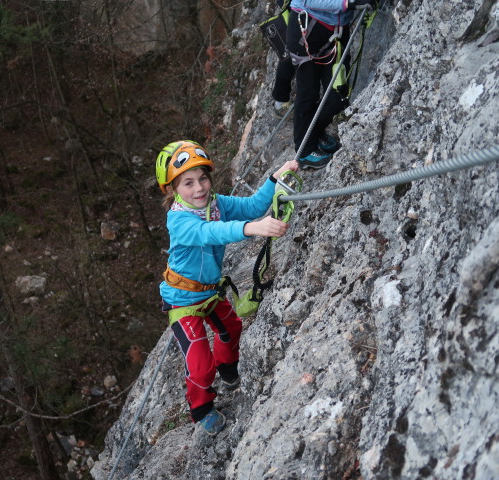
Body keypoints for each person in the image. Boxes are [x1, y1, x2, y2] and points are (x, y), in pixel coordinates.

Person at [156, 140, 299, 436]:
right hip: (182, 301)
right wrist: (252, 228)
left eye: (203, 178)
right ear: (172, 190)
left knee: (232, 328)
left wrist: (276, 177)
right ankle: (201, 408)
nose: (199, 188)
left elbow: (253, 206)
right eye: (188, 183)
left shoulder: (217, 204)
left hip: (209, 292)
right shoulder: (178, 220)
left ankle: (228, 369)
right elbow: (208, 232)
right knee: (199, 365)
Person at [286, 0, 376, 169]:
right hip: (306, 31)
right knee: (308, 93)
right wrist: (347, 3)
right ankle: (304, 151)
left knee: (338, 96)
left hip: (338, 33)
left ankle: (314, 133)